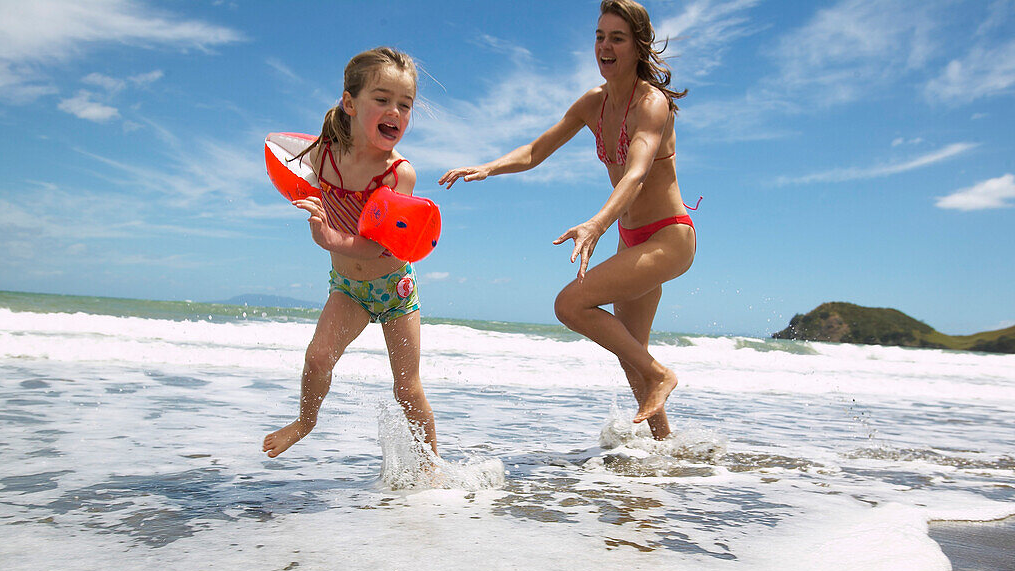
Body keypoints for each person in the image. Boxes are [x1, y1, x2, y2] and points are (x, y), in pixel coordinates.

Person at [439, 0, 696, 440]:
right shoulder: (593, 104)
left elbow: (635, 175)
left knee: (570, 304)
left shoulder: (651, 105)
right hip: (632, 238)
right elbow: (537, 151)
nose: (605, 46)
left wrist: (596, 224)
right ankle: (665, 449)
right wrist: (488, 167)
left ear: (638, 46)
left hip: (669, 238)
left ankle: (661, 376)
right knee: (630, 352)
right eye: (600, 36)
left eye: (617, 38)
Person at [264, 47, 437, 458]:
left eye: (405, 104)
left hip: (394, 287)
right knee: (318, 357)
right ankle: (305, 421)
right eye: (382, 99)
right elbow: (281, 155)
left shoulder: (397, 173)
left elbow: (379, 244)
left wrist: (329, 238)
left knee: (406, 388)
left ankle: (432, 464)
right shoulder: (322, 156)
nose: (394, 111)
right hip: (348, 289)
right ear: (349, 103)